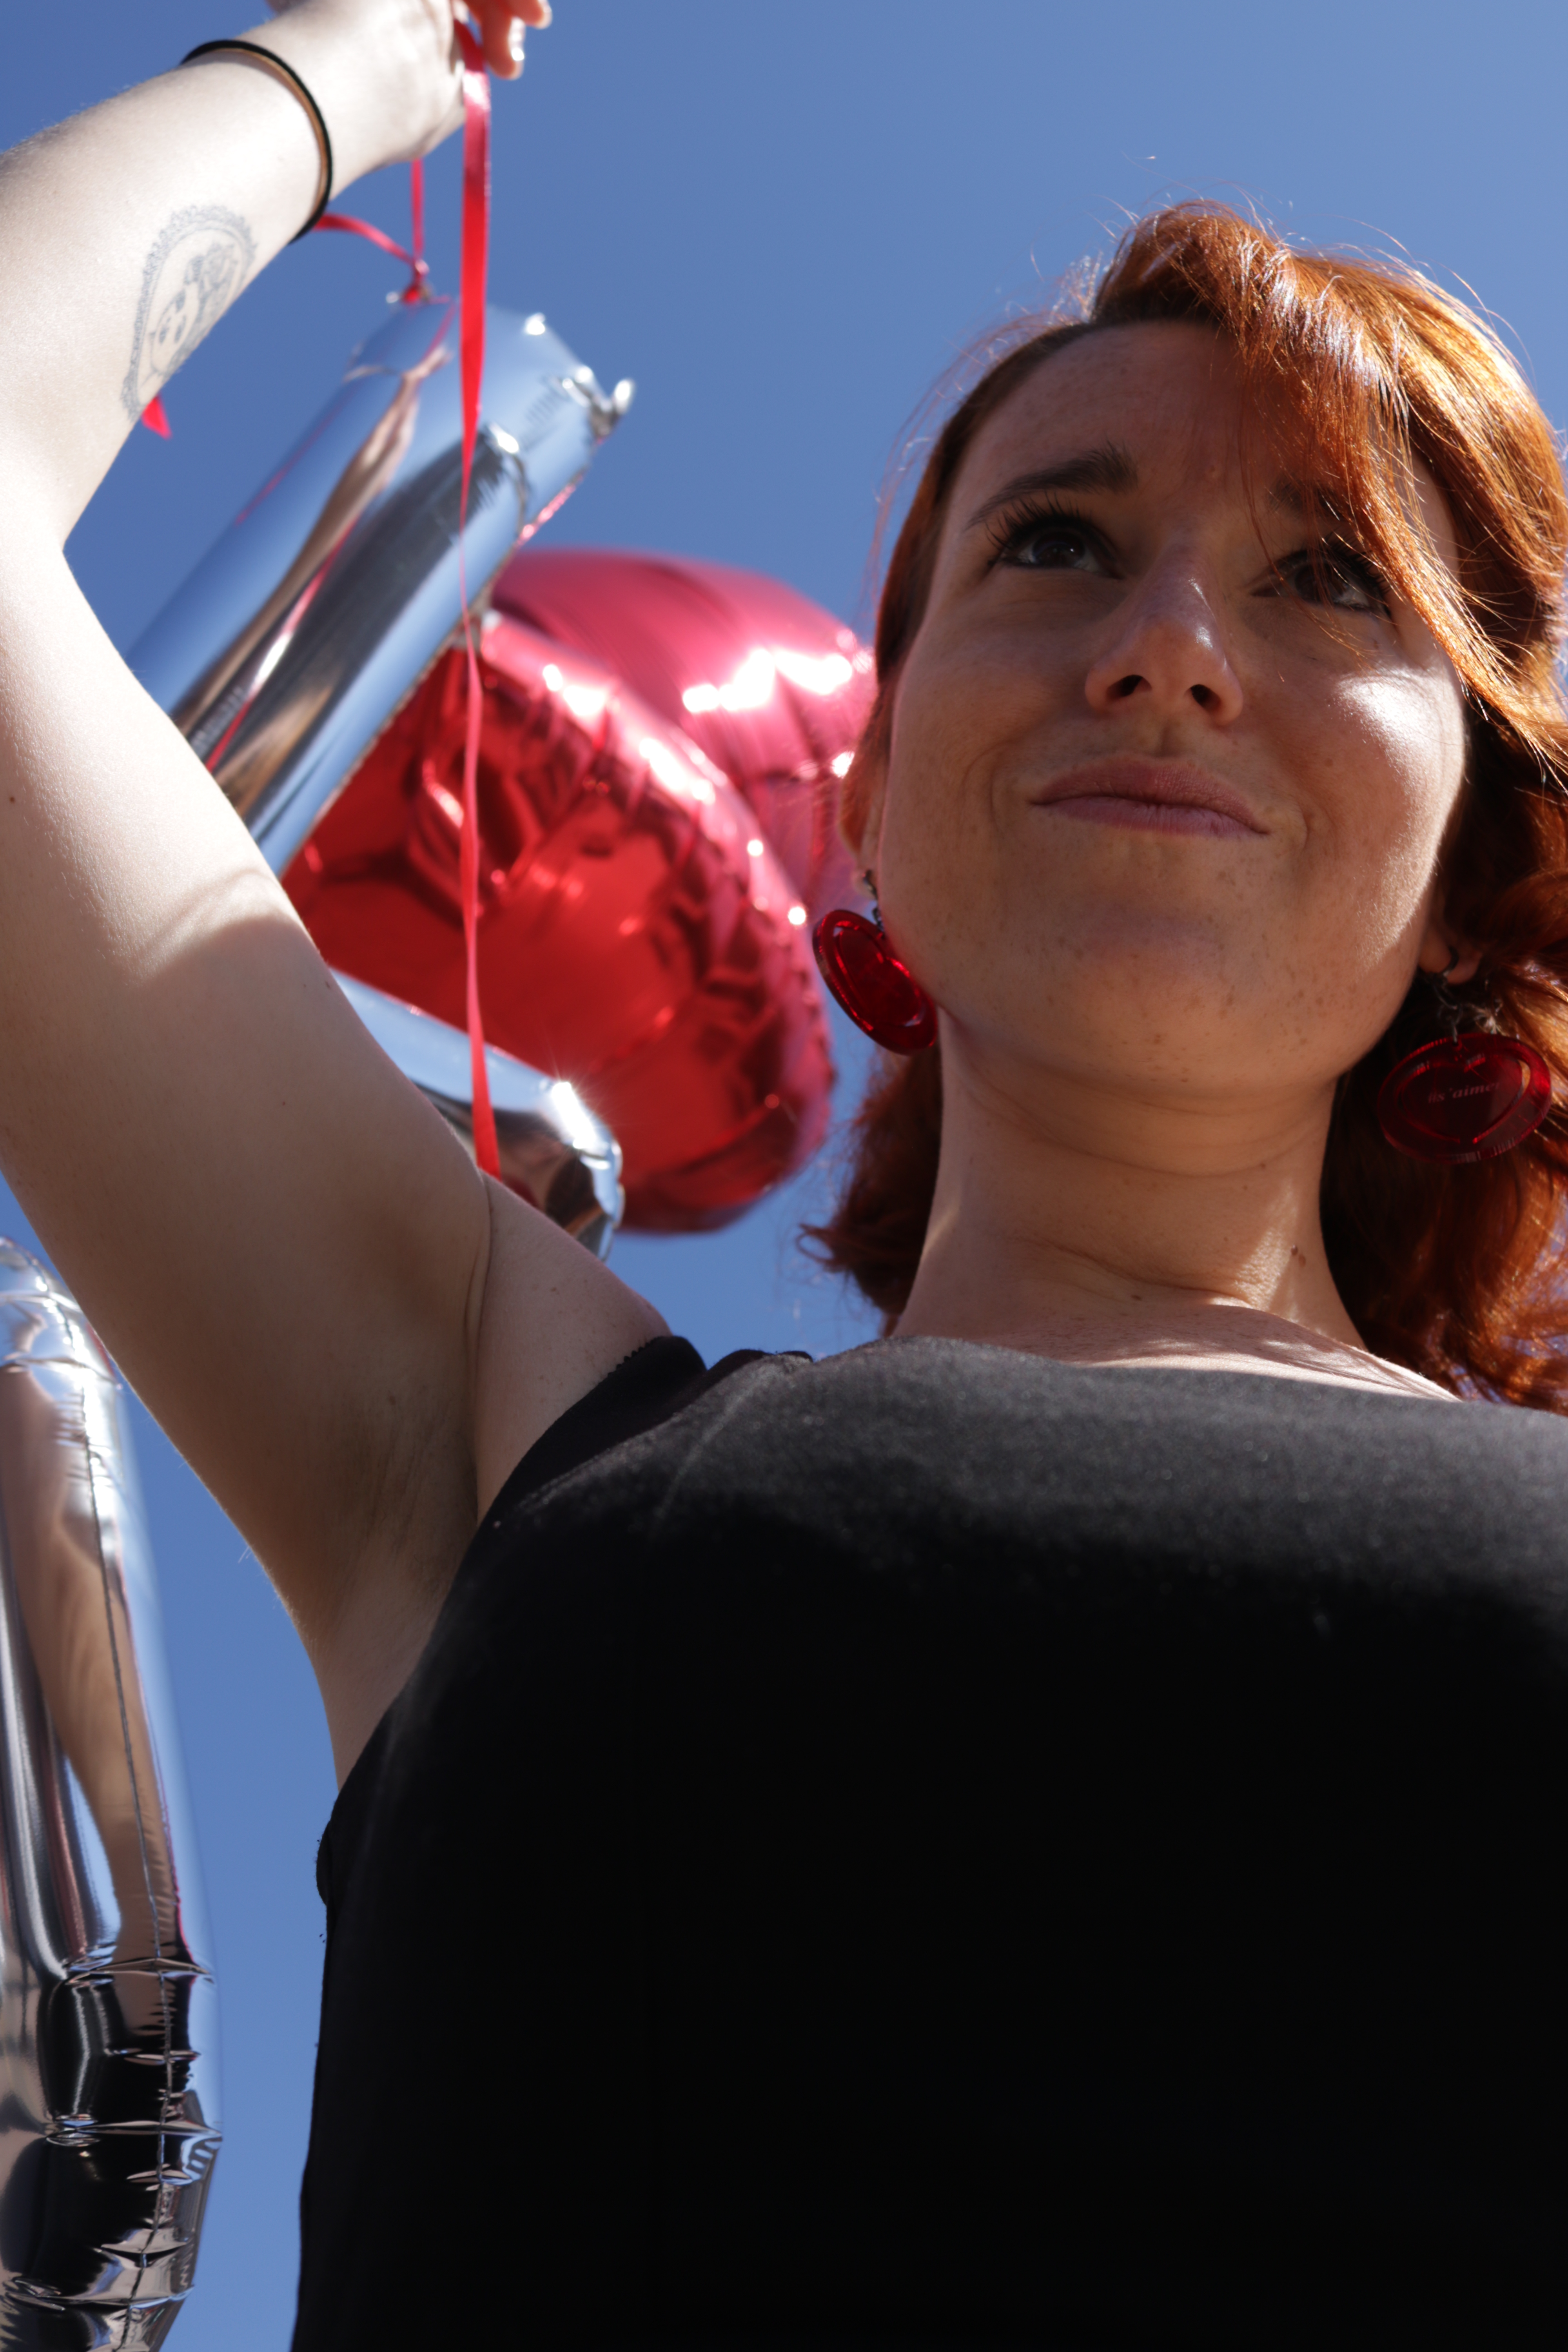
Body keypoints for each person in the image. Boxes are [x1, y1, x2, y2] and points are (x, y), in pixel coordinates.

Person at [0, 4, 1564, 2347]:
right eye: (1057, 543)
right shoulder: (487, 1423)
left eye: (1333, 578)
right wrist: (362, 58)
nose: (1168, 650)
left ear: (1470, 870)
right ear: (868, 796)